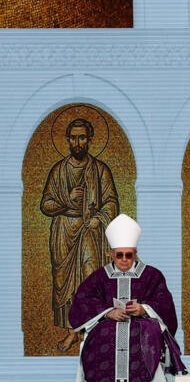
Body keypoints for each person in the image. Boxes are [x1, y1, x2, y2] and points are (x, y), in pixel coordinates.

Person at [69, 214, 186, 382]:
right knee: (101, 335)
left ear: (135, 253)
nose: (124, 260)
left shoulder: (152, 275)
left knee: (147, 334)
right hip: (108, 326)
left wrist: (143, 309)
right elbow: (83, 301)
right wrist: (108, 312)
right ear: (111, 254)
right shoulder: (99, 276)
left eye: (129, 255)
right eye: (119, 255)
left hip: (143, 326)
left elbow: (164, 303)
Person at [40, 117, 120, 351]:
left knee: (89, 279)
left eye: (82, 137)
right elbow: (45, 205)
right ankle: (71, 332)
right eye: (73, 137)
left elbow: (112, 202)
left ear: (90, 140)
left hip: (89, 232)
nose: (77, 142)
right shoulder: (58, 171)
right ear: (67, 140)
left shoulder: (100, 170)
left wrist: (99, 218)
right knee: (63, 282)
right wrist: (67, 199)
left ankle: (91, 331)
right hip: (64, 231)